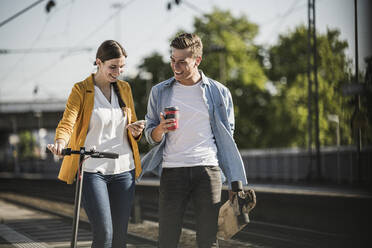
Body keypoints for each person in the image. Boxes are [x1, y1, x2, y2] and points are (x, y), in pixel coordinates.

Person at [140, 33, 248, 248]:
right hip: (172, 171)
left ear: (197, 60)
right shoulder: (159, 92)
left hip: (207, 171)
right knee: (167, 240)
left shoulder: (220, 92)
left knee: (208, 241)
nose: (175, 66)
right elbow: (150, 136)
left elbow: (228, 138)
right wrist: (160, 129)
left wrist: (233, 180)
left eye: (182, 62)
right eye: (173, 60)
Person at [47, 40, 144, 248]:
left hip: (124, 170)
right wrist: (60, 141)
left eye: (121, 67)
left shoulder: (125, 88)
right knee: (104, 235)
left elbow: (132, 123)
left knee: (119, 239)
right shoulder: (81, 89)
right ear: (99, 63)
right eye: (113, 67)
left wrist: (136, 131)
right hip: (93, 170)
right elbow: (68, 121)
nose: (118, 72)